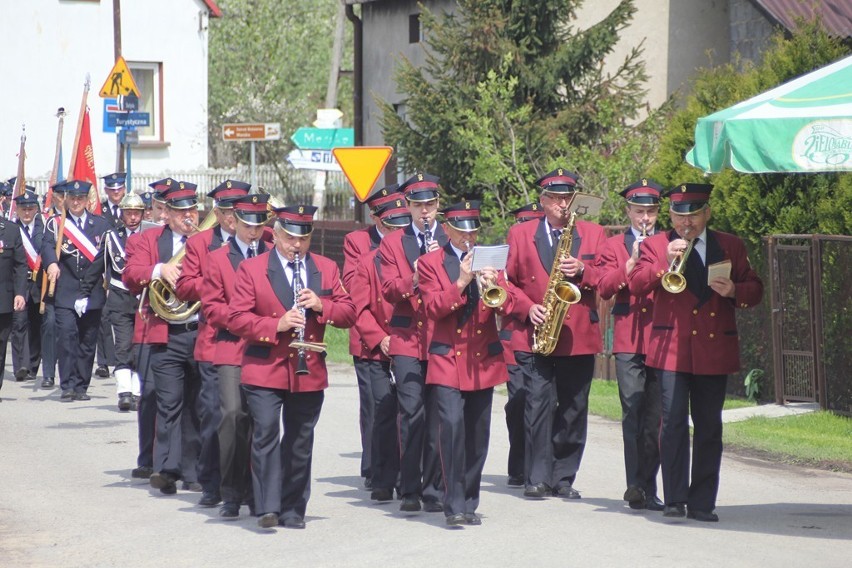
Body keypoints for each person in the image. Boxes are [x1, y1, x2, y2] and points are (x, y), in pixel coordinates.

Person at [628, 183, 763, 522]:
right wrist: (664, 262)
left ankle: (702, 501)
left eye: (692, 216)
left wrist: (734, 290)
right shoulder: (656, 244)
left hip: (713, 348)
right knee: (672, 424)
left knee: (708, 427)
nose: (685, 224)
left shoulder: (730, 245)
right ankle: (674, 499)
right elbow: (636, 283)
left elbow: (755, 288)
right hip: (671, 347)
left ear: (707, 213)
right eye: (677, 216)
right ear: (670, 215)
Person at [228, 204, 355, 529]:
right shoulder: (253, 269)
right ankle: (267, 505)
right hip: (264, 367)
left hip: (308, 369)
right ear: (277, 234)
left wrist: (322, 305)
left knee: (300, 440)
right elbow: (237, 318)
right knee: (266, 432)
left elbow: (349, 311)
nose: (296, 246)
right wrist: (277, 325)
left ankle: (293, 507)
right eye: (289, 239)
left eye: (303, 239)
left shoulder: (325, 267)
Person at [504, 168, 606, 500]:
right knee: (537, 405)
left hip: (578, 333)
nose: (563, 204)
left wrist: (584, 270)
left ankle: (563, 477)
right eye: (556, 198)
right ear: (542, 201)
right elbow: (507, 282)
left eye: (568, 197)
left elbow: (606, 278)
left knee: (574, 407)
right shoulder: (520, 235)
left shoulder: (594, 233)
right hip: (537, 333)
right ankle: (537, 477)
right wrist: (526, 308)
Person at [418, 200, 511, 526]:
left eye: (472, 231)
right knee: (452, 430)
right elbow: (432, 308)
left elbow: (508, 305)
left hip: (482, 359)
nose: (467, 237)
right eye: (460, 231)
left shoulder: (492, 261)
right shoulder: (430, 263)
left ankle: (469, 501)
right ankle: (453, 503)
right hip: (447, 358)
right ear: (447, 230)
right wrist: (460, 281)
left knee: (477, 435)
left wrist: (495, 285)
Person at [123, 181, 202, 495]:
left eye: (192, 210)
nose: (188, 217)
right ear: (166, 214)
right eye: (181, 211)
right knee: (167, 403)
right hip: (164, 333)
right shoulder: (148, 239)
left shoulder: (206, 241)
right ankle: (165, 469)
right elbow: (130, 275)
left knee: (197, 405)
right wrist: (159, 270)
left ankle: (193, 470)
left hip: (198, 330)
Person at [176, 179, 250, 509]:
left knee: (245, 416)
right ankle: (211, 481)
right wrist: (217, 274)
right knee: (214, 414)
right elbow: (185, 286)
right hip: (213, 340)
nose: (232, 217)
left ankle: (244, 482)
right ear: (217, 214)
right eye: (226, 211)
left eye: (238, 210)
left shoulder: (256, 239)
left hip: (252, 340)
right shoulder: (200, 244)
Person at [379, 173, 447, 514]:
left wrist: (444, 263)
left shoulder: (450, 236)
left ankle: (434, 489)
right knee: (411, 413)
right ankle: (409, 488)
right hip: (407, 338)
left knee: (437, 415)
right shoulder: (393, 243)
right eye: (419, 205)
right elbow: (389, 289)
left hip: (442, 337)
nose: (425, 212)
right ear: (407, 206)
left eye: (431, 205)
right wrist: (417, 275)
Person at [596, 179, 664, 511]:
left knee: (656, 416)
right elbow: (604, 287)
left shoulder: (670, 242)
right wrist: (628, 265)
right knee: (632, 410)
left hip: (662, 336)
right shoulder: (613, 246)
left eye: (651, 212)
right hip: (628, 339)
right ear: (629, 212)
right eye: (640, 212)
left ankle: (649, 487)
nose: (646, 219)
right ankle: (635, 484)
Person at [201, 192, 270, 518]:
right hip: (231, 346)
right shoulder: (217, 258)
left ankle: (259, 492)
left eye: (259, 225)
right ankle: (230, 491)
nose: (253, 232)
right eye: (247, 225)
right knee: (231, 417)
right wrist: (246, 321)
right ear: (234, 222)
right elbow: (212, 307)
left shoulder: (273, 254)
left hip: (267, 348)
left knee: (262, 422)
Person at [349, 197, 411, 502]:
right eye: (391, 227)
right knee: (381, 411)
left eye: (403, 226)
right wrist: (379, 337)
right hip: (376, 347)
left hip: (410, 345)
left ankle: (409, 475)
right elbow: (357, 308)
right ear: (380, 225)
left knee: (411, 412)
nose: (398, 234)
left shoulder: (418, 256)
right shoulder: (367, 261)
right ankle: (382, 476)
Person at [42, 180, 111, 402]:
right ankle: (68, 385)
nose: (76, 202)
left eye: (80, 198)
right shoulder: (56, 224)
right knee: (67, 337)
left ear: (87, 200)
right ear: (66, 200)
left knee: (88, 340)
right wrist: (51, 263)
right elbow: (46, 246)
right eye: (72, 198)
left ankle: (82, 385)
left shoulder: (101, 225)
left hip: (92, 291)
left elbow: (107, 255)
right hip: (66, 290)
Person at [79, 192, 146, 411]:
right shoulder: (112, 236)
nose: (133, 218)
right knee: (123, 346)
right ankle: (124, 392)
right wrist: (84, 292)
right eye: (129, 213)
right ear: (122, 215)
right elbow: (98, 265)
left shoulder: (151, 236)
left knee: (141, 348)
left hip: (145, 299)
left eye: (137, 213)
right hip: (119, 298)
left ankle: (138, 392)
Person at [501, 202, 544, 487]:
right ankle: (518, 465)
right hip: (514, 336)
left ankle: (537, 466)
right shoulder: (511, 249)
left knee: (539, 402)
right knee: (518, 402)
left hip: (541, 335)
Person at [11, 189, 48, 383]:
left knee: (36, 325)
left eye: (31, 208)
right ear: (17, 210)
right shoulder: (11, 228)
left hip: (39, 283)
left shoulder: (45, 227)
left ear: (36, 209)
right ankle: (21, 366)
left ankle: (33, 365)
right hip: (19, 282)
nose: (27, 213)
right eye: (23, 209)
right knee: (19, 323)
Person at [0, 205, 28, 402]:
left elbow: (20, 265)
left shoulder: (10, 230)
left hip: (3, 298)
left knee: (1, 346)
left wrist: (19, 293)